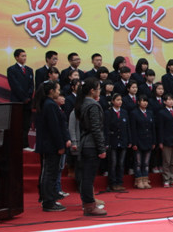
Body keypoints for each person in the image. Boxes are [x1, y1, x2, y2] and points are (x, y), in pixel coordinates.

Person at [35, 80, 72, 212]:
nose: (59, 92)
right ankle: (48, 201)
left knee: (51, 172)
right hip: (51, 145)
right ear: (51, 91)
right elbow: (54, 127)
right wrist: (60, 145)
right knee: (50, 173)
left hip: (50, 144)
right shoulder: (49, 105)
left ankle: (50, 198)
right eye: (57, 90)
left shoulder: (48, 103)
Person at [75, 77, 107, 216]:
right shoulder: (92, 105)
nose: (100, 91)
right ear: (92, 91)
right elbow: (95, 128)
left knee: (86, 176)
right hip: (91, 145)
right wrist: (101, 148)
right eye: (98, 89)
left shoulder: (83, 103)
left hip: (85, 143)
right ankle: (89, 205)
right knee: (88, 177)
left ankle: (87, 203)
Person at [7, 48, 35, 147]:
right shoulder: (11, 70)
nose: (24, 58)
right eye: (22, 56)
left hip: (28, 103)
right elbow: (15, 86)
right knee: (17, 125)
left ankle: (25, 144)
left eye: (25, 56)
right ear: (16, 57)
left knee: (26, 125)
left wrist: (29, 97)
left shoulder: (29, 70)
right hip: (17, 102)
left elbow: (31, 85)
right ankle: (17, 145)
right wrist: (24, 98)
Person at [103, 93, 130, 193]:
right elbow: (105, 128)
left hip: (123, 140)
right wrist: (106, 142)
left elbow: (127, 127)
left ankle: (119, 182)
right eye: (117, 100)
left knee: (121, 163)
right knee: (113, 163)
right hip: (112, 141)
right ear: (113, 101)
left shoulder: (124, 112)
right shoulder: (108, 113)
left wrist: (129, 140)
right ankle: (112, 183)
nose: (120, 102)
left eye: (121, 100)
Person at [129, 94, 156, 189]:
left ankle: (145, 179)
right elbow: (133, 129)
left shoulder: (150, 112)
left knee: (146, 162)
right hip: (138, 140)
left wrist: (154, 141)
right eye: (143, 101)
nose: (145, 103)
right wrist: (134, 142)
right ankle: (138, 180)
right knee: (138, 162)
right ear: (138, 102)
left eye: (146, 101)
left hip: (148, 139)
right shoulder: (134, 113)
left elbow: (153, 128)